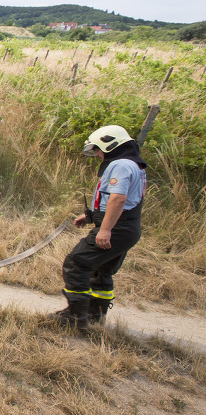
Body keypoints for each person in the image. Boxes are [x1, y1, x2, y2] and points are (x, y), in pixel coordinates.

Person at [52, 125, 147, 330]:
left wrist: (104, 230)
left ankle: (75, 317)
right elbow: (121, 201)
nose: (96, 154)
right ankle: (96, 316)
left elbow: (119, 199)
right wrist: (90, 216)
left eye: (97, 149)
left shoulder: (120, 165)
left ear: (110, 144)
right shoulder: (133, 165)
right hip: (127, 228)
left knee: (76, 262)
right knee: (102, 270)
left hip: (117, 228)